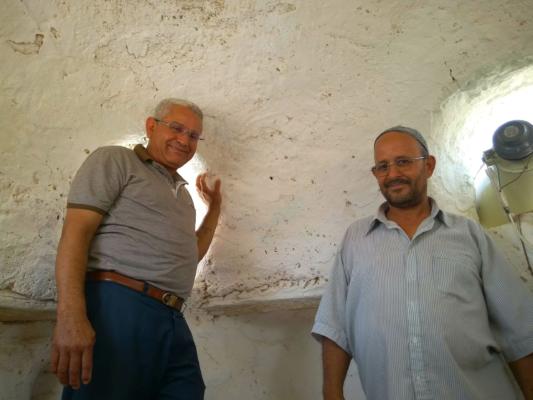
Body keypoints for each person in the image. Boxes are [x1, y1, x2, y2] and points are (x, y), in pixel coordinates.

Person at [312, 126, 533, 400]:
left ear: (428, 166)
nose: (392, 174)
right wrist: (332, 393)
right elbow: (335, 326)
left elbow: (519, 329)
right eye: (383, 166)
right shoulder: (355, 240)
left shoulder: (468, 235)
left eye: (403, 162)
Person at [51, 98, 221, 399]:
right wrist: (70, 317)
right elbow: (76, 233)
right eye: (177, 128)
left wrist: (214, 210)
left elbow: (191, 254)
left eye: (194, 135)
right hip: (120, 306)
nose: (185, 140)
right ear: (151, 126)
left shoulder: (183, 197)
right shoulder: (115, 160)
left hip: (173, 317)